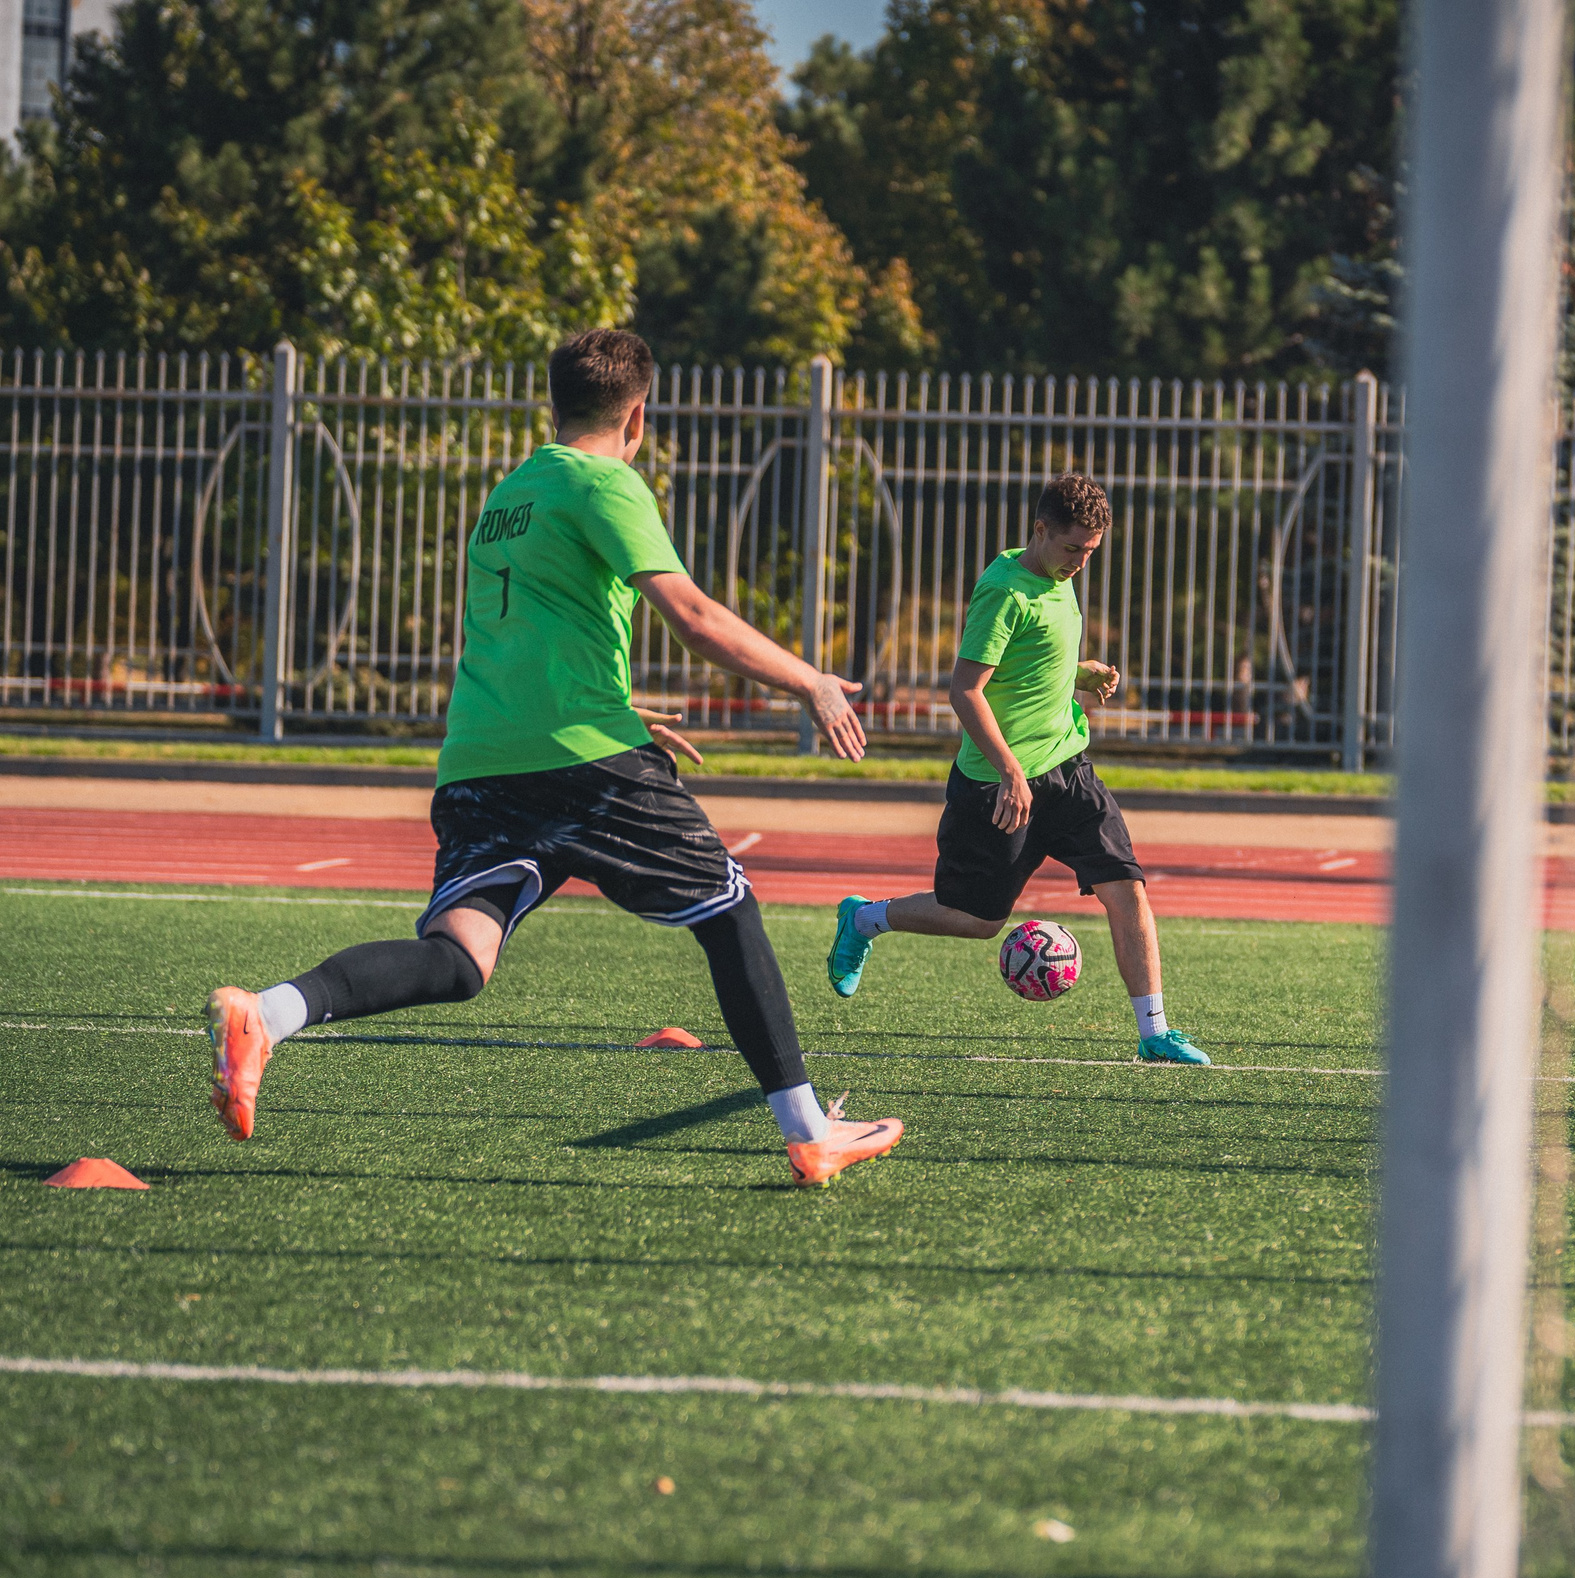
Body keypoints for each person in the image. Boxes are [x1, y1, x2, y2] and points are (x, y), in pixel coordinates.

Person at [204, 330, 903, 1186]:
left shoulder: (511, 493)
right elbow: (694, 616)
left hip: (480, 762)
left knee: (459, 960)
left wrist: (621, 703)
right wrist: (812, 685)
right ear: (638, 414)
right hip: (582, 761)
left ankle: (267, 1014)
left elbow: (530, 631)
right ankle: (807, 1130)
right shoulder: (607, 482)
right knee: (730, 912)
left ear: (555, 402)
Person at [825, 473, 1211, 1065]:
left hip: (1068, 769)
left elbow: (1030, 656)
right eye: (1073, 548)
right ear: (1041, 530)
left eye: (1090, 550)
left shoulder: (1058, 574)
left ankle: (1155, 1032)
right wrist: (1008, 770)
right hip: (998, 786)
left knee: (1126, 886)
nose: (1081, 561)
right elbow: (965, 690)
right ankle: (867, 920)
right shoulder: (1004, 590)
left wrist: (1076, 672)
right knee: (979, 919)